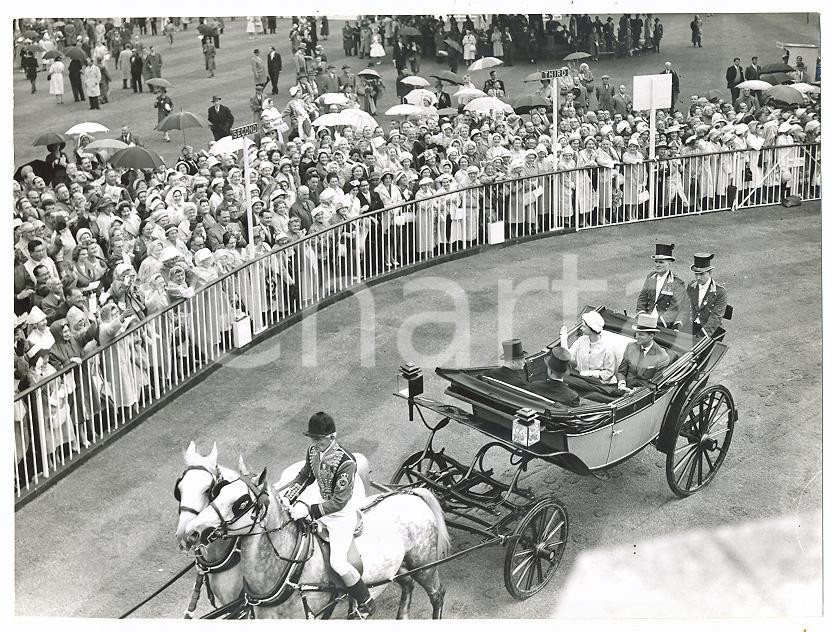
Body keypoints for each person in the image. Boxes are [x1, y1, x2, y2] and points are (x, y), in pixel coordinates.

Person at [283, 412, 376, 619]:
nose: (315, 443)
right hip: (322, 509)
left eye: (318, 439)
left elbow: (339, 502)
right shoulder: (313, 451)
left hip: (341, 517)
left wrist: (310, 510)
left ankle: (365, 601)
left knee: (338, 563)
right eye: (312, 439)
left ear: (332, 437)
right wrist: (288, 499)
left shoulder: (346, 461)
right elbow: (305, 475)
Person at [636, 243, 687, 329]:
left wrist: (658, 323)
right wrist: (641, 315)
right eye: (656, 261)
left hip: (663, 324)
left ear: (669, 263)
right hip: (647, 318)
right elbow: (642, 298)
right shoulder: (651, 277)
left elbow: (674, 308)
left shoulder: (678, 282)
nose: (657, 265)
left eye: (661, 262)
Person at [615, 313, 670, 392]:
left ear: (651, 336)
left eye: (641, 334)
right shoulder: (630, 347)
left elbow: (655, 384)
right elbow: (621, 371)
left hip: (643, 395)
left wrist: (635, 391)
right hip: (623, 389)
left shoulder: (662, 356)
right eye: (637, 333)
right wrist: (622, 384)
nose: (636, 336)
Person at [559, 311, 617, 383]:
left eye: (583, 326)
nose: (581, 328)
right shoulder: (581, 340)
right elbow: (569, 356)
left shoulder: (607, 348)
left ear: (591, 328)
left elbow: (609, 373)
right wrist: (563, 339)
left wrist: (591, 374)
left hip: (598, 383)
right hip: (580, 379)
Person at [685, 252, 728, 338]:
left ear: (710, 272)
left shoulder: (720, 292)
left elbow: (716, 318)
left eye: (701, 274)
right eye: (696, 274)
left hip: (711, 331)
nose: (698, 278)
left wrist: (702, 336)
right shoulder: (691, 286)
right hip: (692, 326)